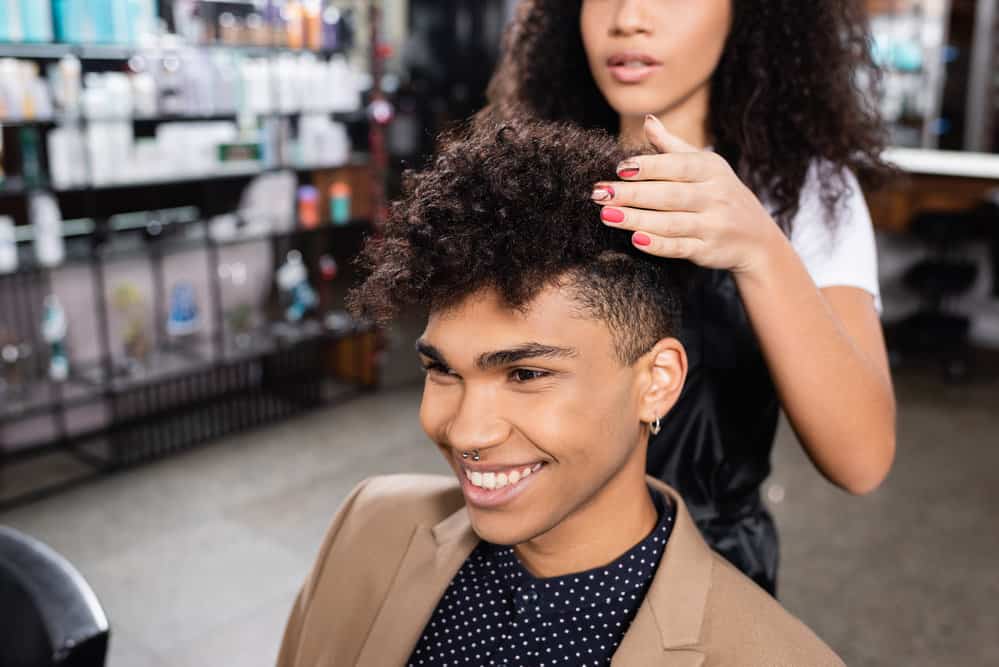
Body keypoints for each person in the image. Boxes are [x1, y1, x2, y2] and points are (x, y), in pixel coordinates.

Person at [276, 120, 844, 667]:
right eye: (443, 371)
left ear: (657, 382)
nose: (468, 433)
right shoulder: (367, 525)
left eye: (525, 374)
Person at [481, 0, 898, 594]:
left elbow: (861, 460)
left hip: (709, 583)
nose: (628, 17)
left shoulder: (803, 191)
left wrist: (759, 246)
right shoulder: (520, 172)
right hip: (525, 562)